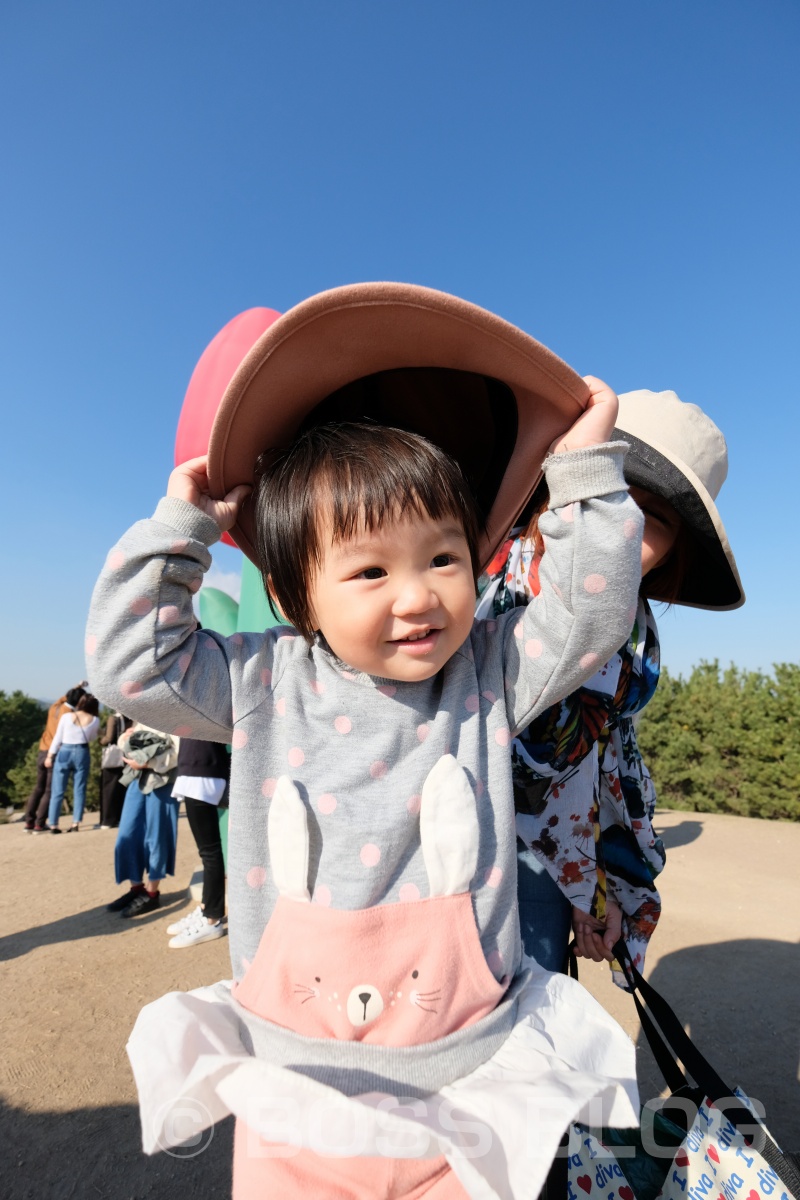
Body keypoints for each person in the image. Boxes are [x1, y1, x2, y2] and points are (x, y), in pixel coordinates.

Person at [88, 364, 643, 1197]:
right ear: (292, 593)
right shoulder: (260, 681)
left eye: (444, 556)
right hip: (296, 1092)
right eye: (371, 572)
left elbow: (591, 613)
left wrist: (582, 471)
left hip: (464, 1084)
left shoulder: (489, 673)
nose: (418, 596)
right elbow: (130, 666)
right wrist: (185, 528)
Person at [479, 388, 744, 980]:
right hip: (430, 844)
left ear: (675, 549)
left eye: (653, 515)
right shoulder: (459, 570)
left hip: (545, 870)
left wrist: (593, 891)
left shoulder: (630, 647)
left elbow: (594, 772)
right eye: (606, 486)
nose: (619, 520)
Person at [106, 723, 179, 917]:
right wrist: (126, 740)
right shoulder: (145, 711)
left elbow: (179, 753)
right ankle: (136, 888)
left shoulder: (176, 713)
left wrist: (149, 762)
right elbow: (124, 739)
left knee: (157, 836)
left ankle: (152, 892)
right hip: (137, 777)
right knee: (127, 834)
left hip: (164, 781)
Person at [167, 732, 229, 947]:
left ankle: (212, 919)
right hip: (196, 769)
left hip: (202, 771)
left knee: (209, 851)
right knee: (207, 852)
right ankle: (207, 908)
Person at [23, 683, 86, 832]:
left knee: (38, 788)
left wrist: (76, 688)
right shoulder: (69, 715)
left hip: (42, 749)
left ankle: (29, 822)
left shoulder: (55, 707)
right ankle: (40, 823)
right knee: (50, 790)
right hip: (54, 751)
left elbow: (64, 698)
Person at [45, 693, 100, 833]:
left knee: (57, 790)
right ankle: (75, 823)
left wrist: (50, 756)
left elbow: (58, 737)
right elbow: (92, 737)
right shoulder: (94, 720)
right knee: (79, 789)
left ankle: (53, 824)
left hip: (65, 750)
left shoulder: (66, 717)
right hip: (82, 751)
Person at [98, 710, 132, 828]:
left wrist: (100, 739)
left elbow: (108, 738)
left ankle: (107, 819)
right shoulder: (130, 718)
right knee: (121, 788)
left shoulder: (113, 718)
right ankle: (119, 817)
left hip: (113, 757)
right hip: (126, 756)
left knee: (108, 789)